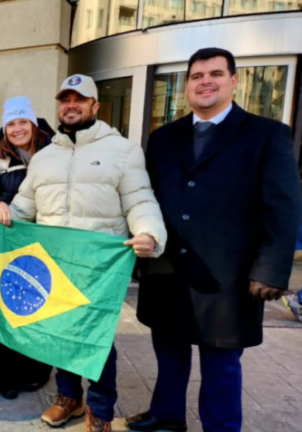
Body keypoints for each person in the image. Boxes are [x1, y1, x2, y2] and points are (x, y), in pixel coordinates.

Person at [129, 48, 302, 432]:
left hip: (230, 276)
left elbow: (284, 207)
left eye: (215, 74)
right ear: (186, 85)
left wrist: (271, 270)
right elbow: (145, 197)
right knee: (169, 351)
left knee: (221, 363)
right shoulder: (162, 138)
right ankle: (167, 416)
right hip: (168, 268)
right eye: (196, 75)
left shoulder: (267, 134)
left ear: (234, 81)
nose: (205, 81)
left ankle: (221, 427)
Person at [0, 75, 167, 432]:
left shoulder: (122, 151)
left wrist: (149, 232)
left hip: (99, 268)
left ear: (95, 106)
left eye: (80, 98)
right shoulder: (45, 157)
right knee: (60, 333)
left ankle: (101, 411)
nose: (71, 105)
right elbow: (22, 209)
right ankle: (69, 399)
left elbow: (139, 199)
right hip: (54, 264)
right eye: (65, 99)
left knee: (95, 340)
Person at [0, 96, 55, 399]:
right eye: (11, 123)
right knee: (9, 305)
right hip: (9, 242)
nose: (17, 128)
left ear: (33, 124)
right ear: (5, 128)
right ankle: (6, 374)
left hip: (46, 241)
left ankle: (36, 370)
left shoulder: (54, 150)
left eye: (23, 122)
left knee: (41, 307)